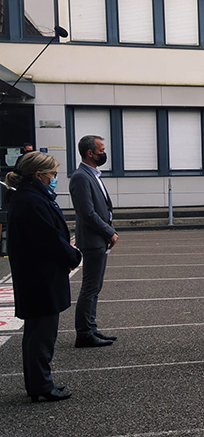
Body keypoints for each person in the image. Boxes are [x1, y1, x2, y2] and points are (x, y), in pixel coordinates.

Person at [7, 152, 82, 402]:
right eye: (52, 174)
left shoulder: (31, 197)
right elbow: (50, 239)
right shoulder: (32, 201)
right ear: (38, 175)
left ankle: (40, 382)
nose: (54, 178)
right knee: (41, 335)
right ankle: (41, 385)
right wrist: (73, 256)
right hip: (40, 278)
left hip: (38, 276)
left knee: (39, 334)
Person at [70, 135, 118, 348]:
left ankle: (91, 327)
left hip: (98, 238)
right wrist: (109, 232)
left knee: (94, 287)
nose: (104, 154)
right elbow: (87, 212)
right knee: (90, 287)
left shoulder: (92, 174)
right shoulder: (81, 177)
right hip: (92, 240)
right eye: (101, 150)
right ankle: (84, 333)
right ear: (90, 152)